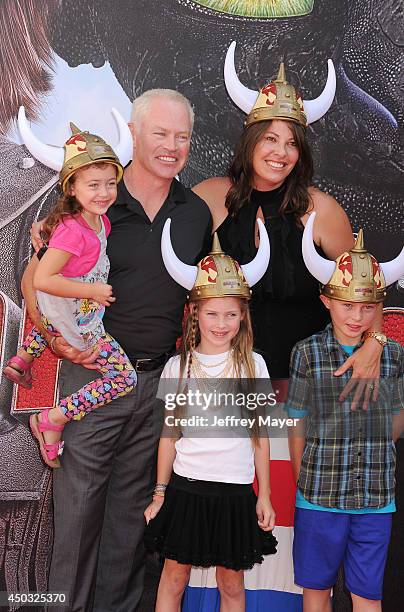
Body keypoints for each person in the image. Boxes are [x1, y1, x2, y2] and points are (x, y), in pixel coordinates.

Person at [21, 89, 212, 611]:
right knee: (78, 516)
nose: (172, 146)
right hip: (94, 378)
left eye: (183, 137)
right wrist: (55, 338)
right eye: (160, 133)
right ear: (133, 133)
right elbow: (32, 280)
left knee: (129, 523)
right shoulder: (95, 201)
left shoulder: (194, 212)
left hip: (153, 383)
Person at [193, 54, 384, 407]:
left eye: (292, 142)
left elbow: (366, 290)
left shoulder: (322, 210)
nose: (281, 152)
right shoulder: (210, 197)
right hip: (226, 383)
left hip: (308, 385)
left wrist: (375, 343)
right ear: (250, 141)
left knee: (295, 464)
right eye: (269, 138)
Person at [144, 218, 277, 611]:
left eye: (231, 315)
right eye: (213, 314)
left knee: (232, 586)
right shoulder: (177, 367)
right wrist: (159, 493)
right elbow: (169, 437)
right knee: (173, 577)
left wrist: (264, 495)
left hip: (235, 490)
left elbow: (260, 437)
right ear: (194, 314)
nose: (222, 324)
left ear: (242, 317)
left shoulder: (254, 365)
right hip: (185, 487)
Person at [286, 213, 404, 612]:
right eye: (346, 306)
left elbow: (397, 423)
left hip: (376, 497)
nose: (357, 317)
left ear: (379, 307)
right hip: (319, 495)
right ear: (327, 302)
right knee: (316, 590)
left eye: (367, 307)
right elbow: (297, 419)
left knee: (368, 595)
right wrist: (304, 478)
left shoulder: (394, 356)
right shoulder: (307, 353)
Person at [5, 125, 137, 468]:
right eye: (93, 185)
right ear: (72, 188)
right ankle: (55, 418)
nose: (104, 192)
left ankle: (23, 358)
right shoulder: (73, 232)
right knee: (124, 378)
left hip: (68, 310)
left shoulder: (97, 222)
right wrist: (90, 290)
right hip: (79, 316)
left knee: (52, 317)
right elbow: (45, 280)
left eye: (110, 183)